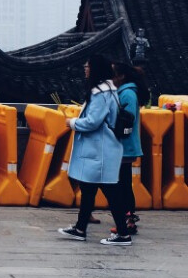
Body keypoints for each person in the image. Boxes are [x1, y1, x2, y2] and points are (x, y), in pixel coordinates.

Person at [57, 55, 131, 246]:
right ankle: (80, 229)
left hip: (100, 151)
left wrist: (72, 122)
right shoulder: (109, 91)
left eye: (88, 65)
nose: (85, 68)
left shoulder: (100, 93)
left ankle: (123, 234)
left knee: (110, 192)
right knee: (89, 190)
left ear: (96, 69)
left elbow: (93, 121)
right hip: (101, 150)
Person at [111, 61, 146, 237]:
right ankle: (127, 219)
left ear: (121, 76)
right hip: (123, 145)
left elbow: (127, 119)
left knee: (123, 184)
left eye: (113, 73)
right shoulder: (125, 92)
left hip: (125, 146)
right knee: (122, 183)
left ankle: (128, 220)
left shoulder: (128, 94)